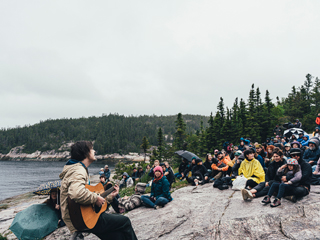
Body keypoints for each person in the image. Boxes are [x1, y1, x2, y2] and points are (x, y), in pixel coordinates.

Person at [59, 141, 137, 240]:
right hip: (80, 219)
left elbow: (87, 197)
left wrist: (110, 197)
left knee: (117, 236)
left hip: (82, 217)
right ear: (86, 152)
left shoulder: (76, 168)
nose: (94, 151)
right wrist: (95, 198)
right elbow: (76, 193)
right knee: (125, 221)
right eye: (92, 149)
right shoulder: (78, 170)